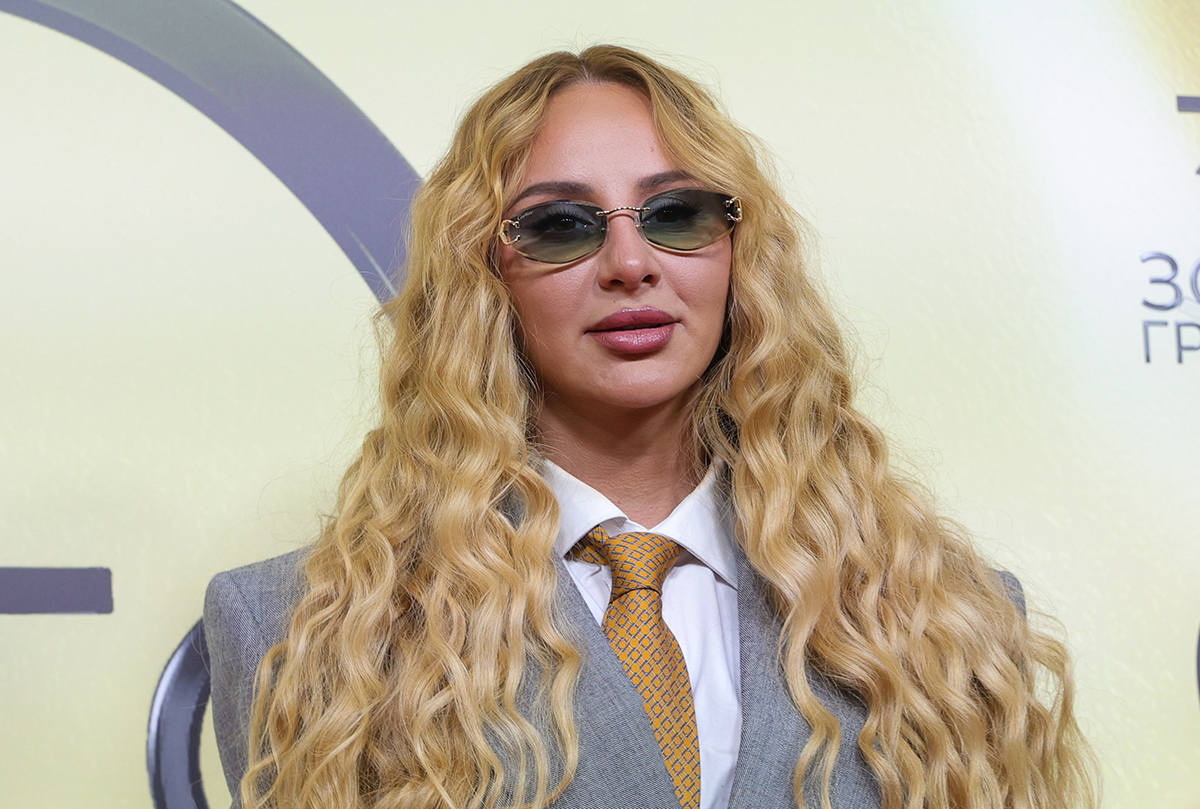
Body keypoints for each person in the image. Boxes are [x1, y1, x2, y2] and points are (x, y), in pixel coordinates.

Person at [204, 45, 1096, 809]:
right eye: (560, 225)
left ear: (738, 255)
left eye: (677, 214)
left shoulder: (945, 624)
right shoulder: (305, 634)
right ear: (484, 277)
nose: (630, 262)